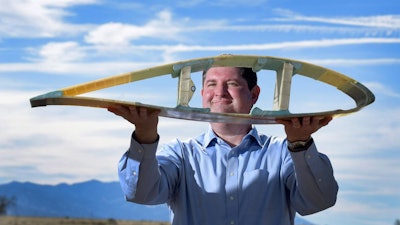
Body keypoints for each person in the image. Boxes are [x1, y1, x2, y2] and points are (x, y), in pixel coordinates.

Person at [108, 67, 338, 225]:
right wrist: (145, 137)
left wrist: (300, 144)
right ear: (202, 95)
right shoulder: (180, 153)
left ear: (254, 94)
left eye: (232, 84)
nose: (219, 92)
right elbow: (140, 194)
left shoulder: (283, 154)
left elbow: (318, 202)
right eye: (211, 84)